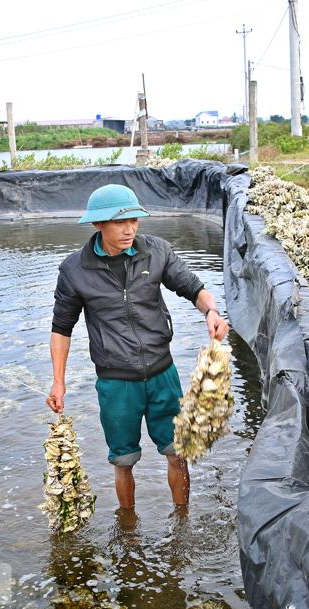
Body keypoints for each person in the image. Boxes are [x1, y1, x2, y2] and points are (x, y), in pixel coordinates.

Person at [46, 184, 229, 509]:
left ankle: (181, 519)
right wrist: (58, 382)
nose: (129, 228)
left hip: (163, 374)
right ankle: (128, 528)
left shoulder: (155, 251)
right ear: (98, 224)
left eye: (134, 220)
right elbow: (61, 329)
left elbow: (193, 287)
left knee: (177, 453)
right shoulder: (75, 270)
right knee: (123, 460)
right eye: (120, 221)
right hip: (116, 383)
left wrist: (211, 311)